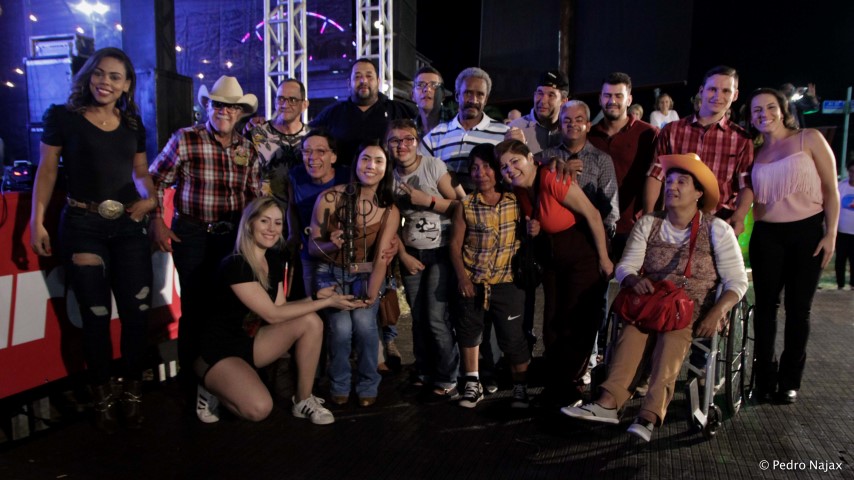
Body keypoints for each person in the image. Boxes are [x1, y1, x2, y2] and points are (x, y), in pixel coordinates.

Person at [562, 154, 748, 443]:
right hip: (653, 303)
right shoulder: (649, 223)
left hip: (692, 309)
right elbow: (626, 266)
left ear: (698, 193)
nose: (672, 187)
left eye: (682, 182)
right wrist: (632, 279)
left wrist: (718, 311)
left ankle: (649, 414)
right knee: (633, 330)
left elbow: (737, 280)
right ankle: (608, 402)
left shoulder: (717, 229)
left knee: (673, 335)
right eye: (669, 181)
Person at [29, 47, 156, 433]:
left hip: (129, 226)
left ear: (127, 85)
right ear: (88, 75)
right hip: (83, 224)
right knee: (95, 316)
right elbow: (47, 171)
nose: (105, 82)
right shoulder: (62, 117)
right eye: (99, 73)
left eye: (115, 77)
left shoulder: (133, 123)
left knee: (137, 313)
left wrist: (150, 198)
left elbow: (140, 172)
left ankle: (132, 391)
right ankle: (102, 395)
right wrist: (36, 221)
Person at [195, 197, 360, 424]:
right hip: (218, 352)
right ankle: (210, 386)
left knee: (311, 321)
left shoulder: (272, 259)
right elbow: (272, 315)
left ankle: (303, 400)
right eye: (265, 221)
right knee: (259, 409)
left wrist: (314, 298)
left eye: (278, 222)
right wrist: (326, 303)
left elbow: (281, 307)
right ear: (249, 223)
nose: (272, 229)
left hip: (251, 343)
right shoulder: (236, 264)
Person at [149, 75, 261, 400]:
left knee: (229, 306)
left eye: (231, 107)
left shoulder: (247, 149)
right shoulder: (185, 138)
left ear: (240, 112)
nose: (225, 111)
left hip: (232, 235)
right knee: (195, 307)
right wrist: (157, 221)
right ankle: (192, 380)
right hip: (193, 233)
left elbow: (254, 196)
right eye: (219, 105)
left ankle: (224, 376)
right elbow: (155, 180)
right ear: (208, 107)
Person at [497, 139, 614, 406]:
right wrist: (535, 229)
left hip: (582, 254)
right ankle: (558, 383)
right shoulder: (519, 188)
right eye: (504, 166)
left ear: (530, 158)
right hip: (553, 258)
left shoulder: (551, 177)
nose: (510, 169)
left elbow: (593, 214)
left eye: (515, 161)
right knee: (552, 321)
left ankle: (570, 386)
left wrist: (605, 259)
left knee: (577, 320)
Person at [748, 88, 839, 404]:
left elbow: (831, 189)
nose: (764, 114)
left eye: (770, 107)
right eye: (757, 110)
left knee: (799, 310)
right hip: (767, 236)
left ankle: (789, 381)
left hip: (807, 233)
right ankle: (764, 379)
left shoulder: (809, 138)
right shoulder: (754, 151)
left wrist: (831, 234)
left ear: (783, 110)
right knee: (765, 310)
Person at [308, 140, 400, 407]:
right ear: (356, 163)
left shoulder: (390, 209)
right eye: (365, 159)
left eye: (379, 161)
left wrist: (371, 294)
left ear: (386, 168)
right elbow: (312, 248)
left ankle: (368, 384)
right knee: (340, 328)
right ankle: (339, 384)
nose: (371, 166)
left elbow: (382, 256)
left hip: (366, 274)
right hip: (330, 272)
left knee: (364, 324)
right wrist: (330, 244)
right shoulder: (330, 197)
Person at [449, 144, 532, 408]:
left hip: (508, 282)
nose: (481, 173)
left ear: (497, 170)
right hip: (473, 281)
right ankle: (473, 384)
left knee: (513, 338)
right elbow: (455, 245)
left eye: (486, 166)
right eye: (474, 168)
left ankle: (520, 387)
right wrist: (462, 278)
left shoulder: (516, 201)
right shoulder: (466, 205)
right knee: (469, 333)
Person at [389, 119, 466, 399]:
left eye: (408, 139)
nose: (402, 146)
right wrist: (402, 255)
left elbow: (462, 205)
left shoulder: (433, 166)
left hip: (441, 251)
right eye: (395, 140)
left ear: (417, 141)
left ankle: (448, 376)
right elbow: (389, 222)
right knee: (419, 317)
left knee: (435, 317)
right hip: (412, 253)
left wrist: (428, 201)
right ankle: (424, 370)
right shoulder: (389, 176)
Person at [644, 66, 754, 237]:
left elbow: (745, 184)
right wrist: (648, 217)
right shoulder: (673, 130)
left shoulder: (742, 139)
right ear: (701, 91)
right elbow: (656, 174)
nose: (718, 96)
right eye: (712, 89)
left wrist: (739, 217)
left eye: (726, 91)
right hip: (674, 224)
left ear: (735, 95)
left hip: (719, 225)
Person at [588, 72, 659, 262]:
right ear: (600, 99)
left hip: (634, 229)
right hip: (594, 229)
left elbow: (658, 179)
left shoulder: (649, 134)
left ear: (629, 100)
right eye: (607, 95)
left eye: (618, 96)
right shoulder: (588, 136)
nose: (612, 101)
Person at [310, 58, 415, 166]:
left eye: (369, 76)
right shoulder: (332, 113)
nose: (363, 81)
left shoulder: (397, 110)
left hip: (387, 176)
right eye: (357, 76)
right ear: (349, 83)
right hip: (342, 176)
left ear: (378, 82)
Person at [420, 67, 509, 193]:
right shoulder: (436, 135)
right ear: (457, 95)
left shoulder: (504, 134)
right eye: (468, 93)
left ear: (486, 99)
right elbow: (419, 170)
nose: (473, 100)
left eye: (480, 94)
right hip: (444, 205)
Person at [288, 130, 350, 297]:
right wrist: (293, 234)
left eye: (321, 151)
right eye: (307, 151)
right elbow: (292, 207)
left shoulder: (347, 177)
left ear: (333, 157)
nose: (312, 157)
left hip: (339, 254)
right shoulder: (296, 175)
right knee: (313, 300)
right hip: (309, 252)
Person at [245, 79, 309, 204]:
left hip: (303, 210)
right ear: (275, 102)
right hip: (265, 209)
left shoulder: (312, 137)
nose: (285, 104)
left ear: (304, 105)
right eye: (281, 99)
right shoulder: (256, 134)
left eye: (293, 100)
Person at [507, 70, 570, 157]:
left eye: (551, 95)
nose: (543, 101)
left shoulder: (569, 130)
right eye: (540, 93)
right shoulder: (516, 128)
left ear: (563, 101)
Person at [412, 66, 455, 137]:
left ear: (443, 95)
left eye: (434, 85)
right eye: (420, 85)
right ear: (413, 95)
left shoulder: (456, 124)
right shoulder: (408, 130)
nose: (426, 89)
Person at [837, 163, 854, 290]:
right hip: (841, 231)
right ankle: (840, 285)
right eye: (852, 171)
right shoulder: (841, 186)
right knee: (840, 259)